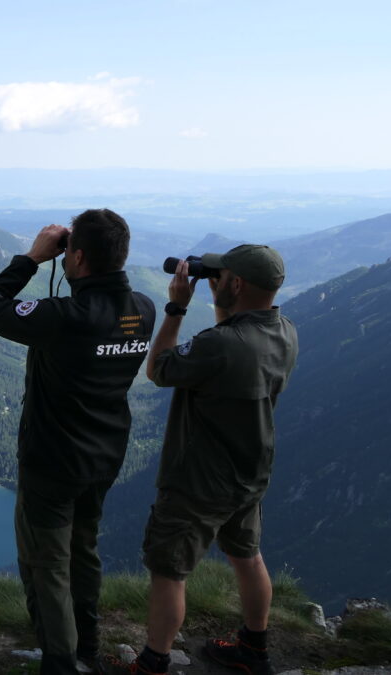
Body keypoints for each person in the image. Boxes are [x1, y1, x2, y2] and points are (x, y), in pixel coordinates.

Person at [0, 209, 156, 674]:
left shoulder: (66, 316)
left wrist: (32, 258)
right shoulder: (143, 310)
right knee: (83, 550)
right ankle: (87, 648)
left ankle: (59, 663)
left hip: (52, 461)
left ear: (76, 256)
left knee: (45, 563)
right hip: (105, 456)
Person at [99, 245, 298, 675]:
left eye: (220, 275)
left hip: (198, 480)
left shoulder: (219, 344)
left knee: (169, 571)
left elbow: (159, 369)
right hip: (250, 471)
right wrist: (222, 299)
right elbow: (236, 335)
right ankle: (254, 648)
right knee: (248, 556)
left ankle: (153, 662)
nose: (215, 279)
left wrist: (175, 306)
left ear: (237, 283)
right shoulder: (284, 330)